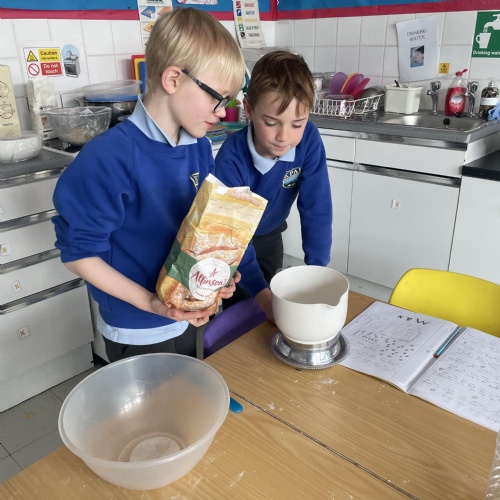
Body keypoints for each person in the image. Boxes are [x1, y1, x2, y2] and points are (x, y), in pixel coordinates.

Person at [52, 8, 245, 362]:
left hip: (185, 315)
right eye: (218, 98)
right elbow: (79, 255)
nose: (222, 111)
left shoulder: (198, 146)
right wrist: (151, 303)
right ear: (173, 80)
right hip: (137, 327)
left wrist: (218, 273)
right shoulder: (109, 157)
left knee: (187, 392)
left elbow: (200, 230)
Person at [214, 50, 333, 321]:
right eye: (271, 123)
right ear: (248, 109)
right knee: (245, 314)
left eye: (297, 124)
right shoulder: (231, 159)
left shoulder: (309, 140)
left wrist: (317, 271)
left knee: (274, 310)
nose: (284, 137)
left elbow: (317, 208)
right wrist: (261, 295)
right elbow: (233, 236)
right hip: (233, 243)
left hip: (270, 235)